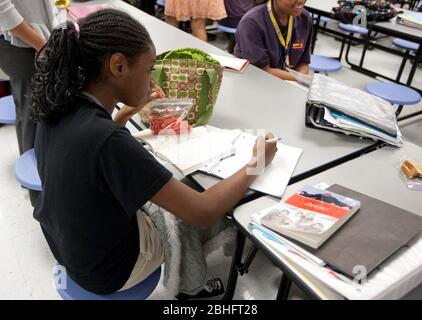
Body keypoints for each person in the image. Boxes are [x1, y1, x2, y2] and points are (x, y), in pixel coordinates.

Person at [32, 8, 277, 298]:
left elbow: (88, 153)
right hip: (110, 271)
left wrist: (123, 115)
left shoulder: (59, 102)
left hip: (71, 246)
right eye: (149, 70)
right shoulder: (109, 141)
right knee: (186, 198)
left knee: (166, 187)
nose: (152, 81)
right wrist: (257, 161)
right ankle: (191, 285)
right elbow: (202, 211)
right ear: (118, 66)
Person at [0, 0, 59, 206]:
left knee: (28, 114)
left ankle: (38, 190)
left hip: (27, 40)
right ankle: (41, 197)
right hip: (23, 42)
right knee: (34, 117)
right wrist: (40, 44)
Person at [234, 0, 313, 81]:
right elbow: (262, 71)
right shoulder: (252, 23)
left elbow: (303, 63)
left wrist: (299, 80)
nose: (301, 1)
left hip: (289, 85)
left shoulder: (304, 18)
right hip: (254, 83)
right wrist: (301, 79)